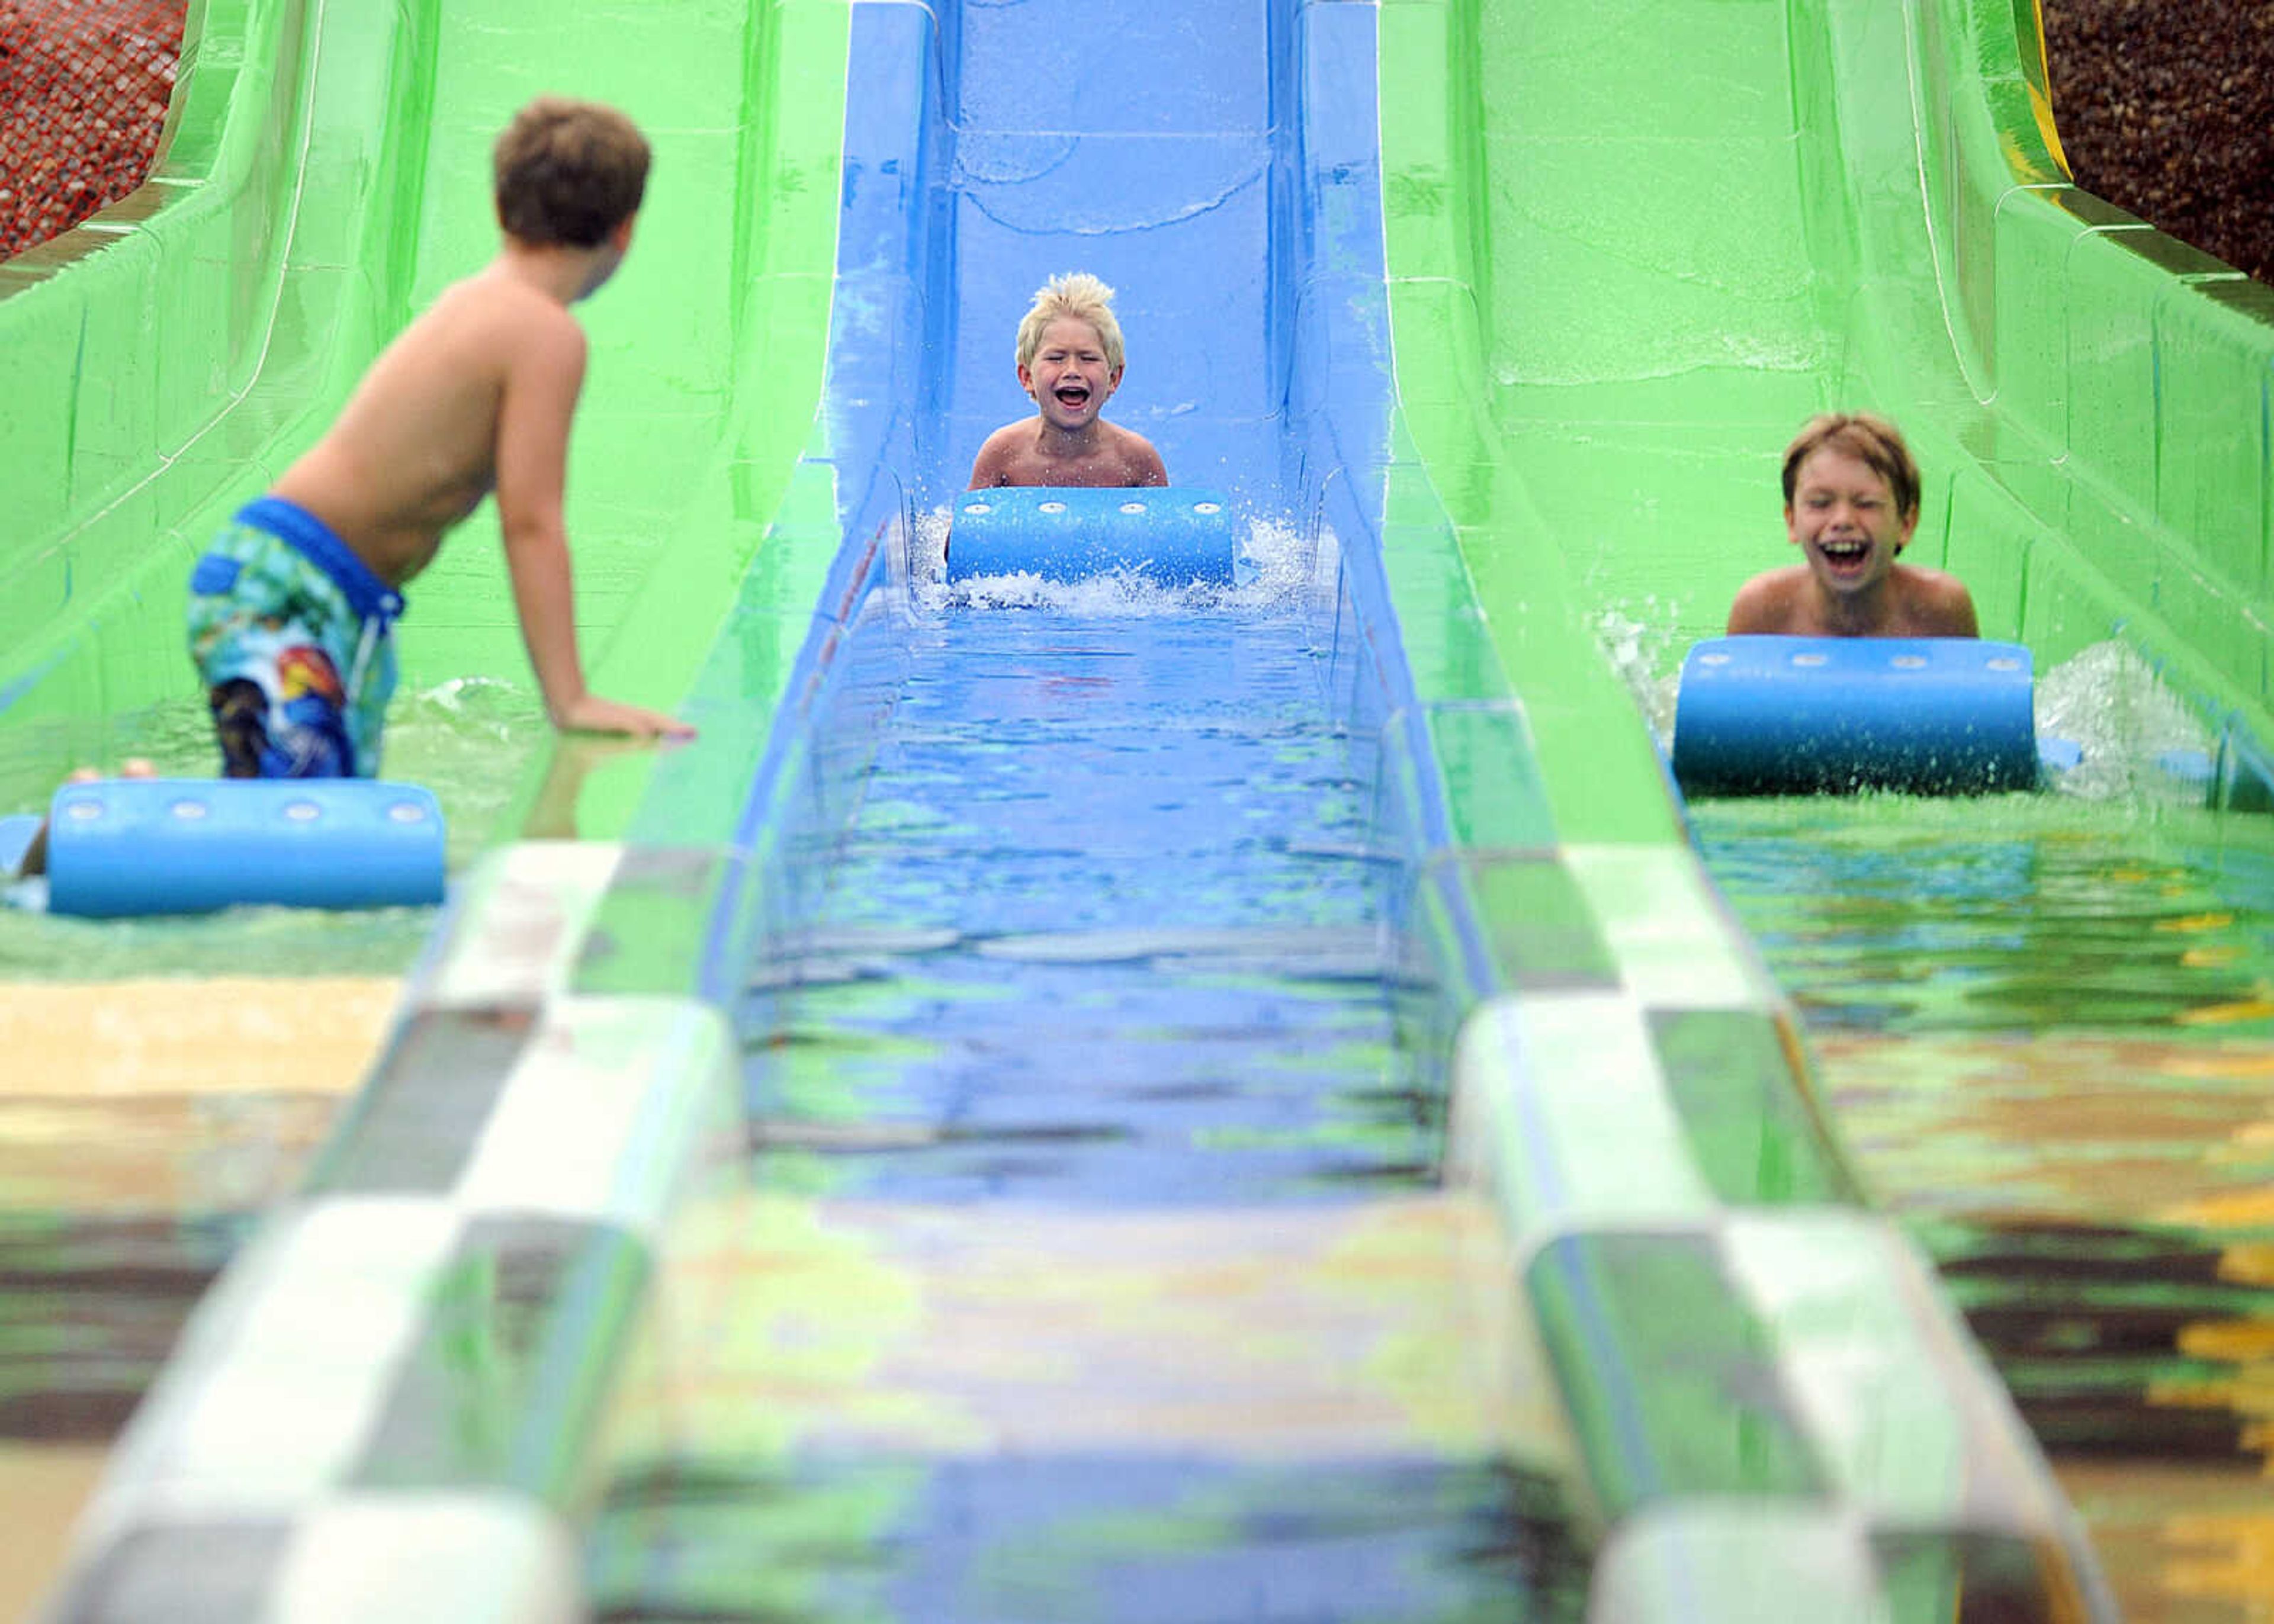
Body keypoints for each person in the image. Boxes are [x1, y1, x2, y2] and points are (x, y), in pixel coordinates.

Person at [187, 95, 693, 782]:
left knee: (323, 814)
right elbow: (532, 520)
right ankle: (100, 829)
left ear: (499, 208)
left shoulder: (476, 301)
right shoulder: (546, 334)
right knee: (295, 812)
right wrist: (569, 698)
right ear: (626, 230)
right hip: (290, 587)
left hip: (304, 585)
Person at [1726, 411, 1978, 638]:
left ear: (1906, 524)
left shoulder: (1940, 610)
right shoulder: (1762, 612)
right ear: (1791, 520)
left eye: (1867, 503)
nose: (1843, 520)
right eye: (1820, 503)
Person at [967, 272, 1168, 490]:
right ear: (1027, 377)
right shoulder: (1004, 455)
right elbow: (965, 523)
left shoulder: (1136, 461)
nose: (1072, 371)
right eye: (1056, 358)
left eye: (1088, 358)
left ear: (1114, 378)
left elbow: (1165, 524)